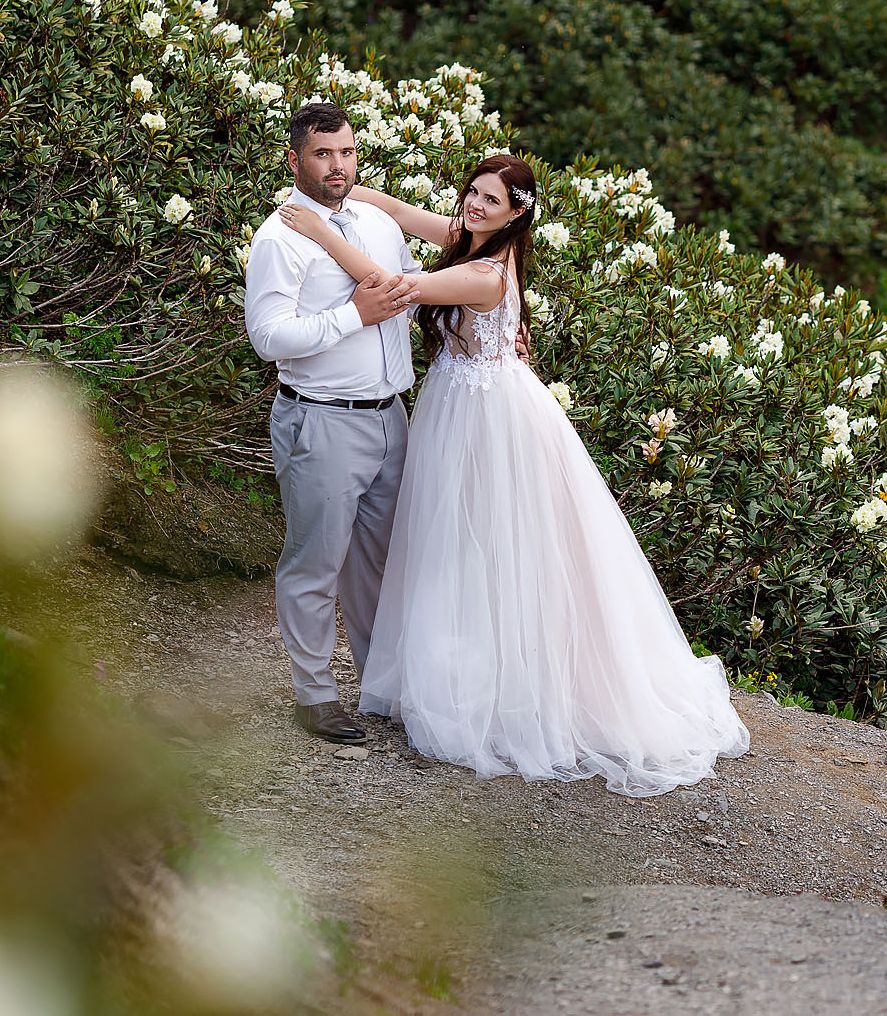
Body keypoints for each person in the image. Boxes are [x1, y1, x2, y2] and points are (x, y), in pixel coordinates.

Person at [276, 154, 749, 796]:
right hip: (457, 404)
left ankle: (499, 690)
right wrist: (339, 188)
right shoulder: (468, 239)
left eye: (489, 201)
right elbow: (399, 212)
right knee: (451, 548)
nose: (473, 206)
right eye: (471, 193)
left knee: (489, 547)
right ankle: (446, 672)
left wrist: (320, 232)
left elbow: (395, 288)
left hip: (487, 417)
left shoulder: (488, 273)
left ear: (515, 214)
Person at [244, 102, 419, 745]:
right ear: (296, 160)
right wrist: (354, 315)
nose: (337, 166)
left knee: (380, 562)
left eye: (345, 152)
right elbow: (268, 338)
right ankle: (314, 694)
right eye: (322, 154)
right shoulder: (280, 237)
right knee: (316, 562)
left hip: (391, 417)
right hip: (321, 422)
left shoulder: (375, 222)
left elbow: (411, 290)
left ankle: (378, 682)